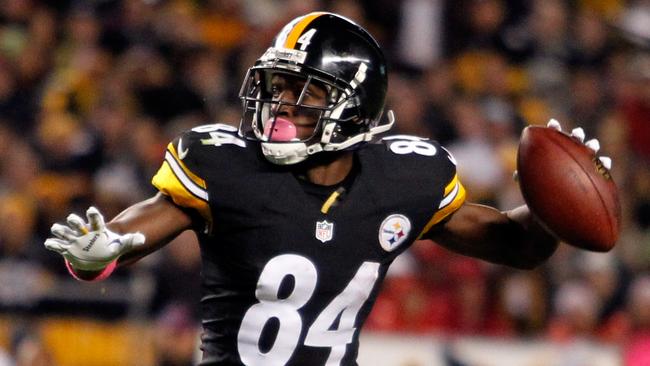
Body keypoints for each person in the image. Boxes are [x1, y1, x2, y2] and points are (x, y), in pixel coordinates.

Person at [44, 12, 605, 366]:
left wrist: (555, 203)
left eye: (303, 92)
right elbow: (147, 220)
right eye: (275, 88)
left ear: (355, 107)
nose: (280, 106)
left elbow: (520, 246)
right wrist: (102, 250)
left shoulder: (405, 178)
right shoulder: (230, 167)